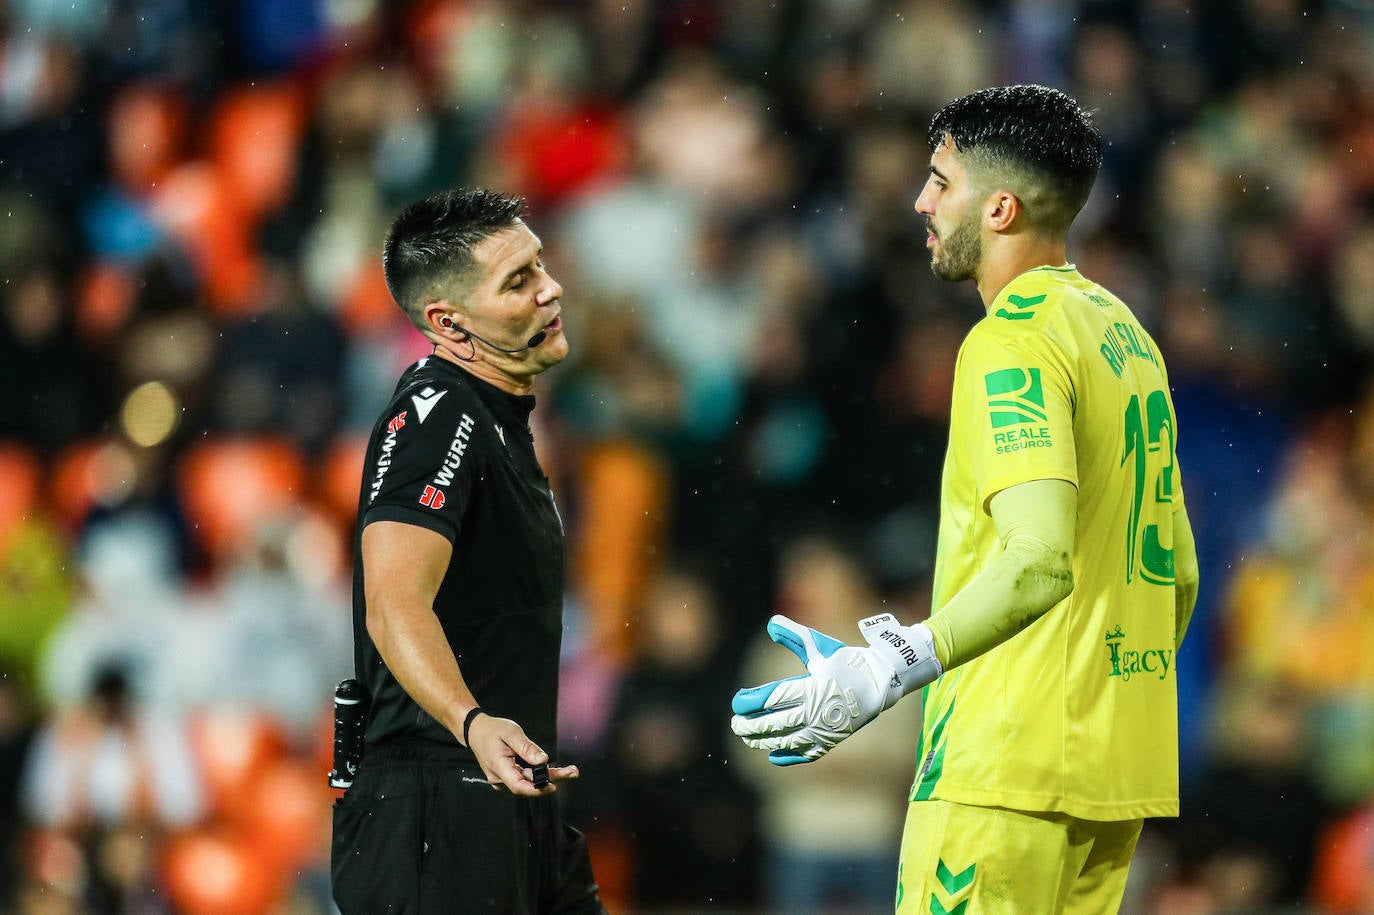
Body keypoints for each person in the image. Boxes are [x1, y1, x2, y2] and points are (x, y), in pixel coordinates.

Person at [730, 85, 1201, 914]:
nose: (921, 200)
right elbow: (1181, 576)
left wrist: (889, 664)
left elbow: (1039, 559)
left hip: (1002, 773)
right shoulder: (1125, 333)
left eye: (942, 181)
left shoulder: (1009, 341)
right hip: (1112, 775)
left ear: (1001, 207)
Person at [330, 188, 605, 914]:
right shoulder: (439, 412)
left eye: (540, 264)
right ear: (449, 324)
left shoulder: (494, 420)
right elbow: (393, 603)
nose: (552, 288)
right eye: (518, 281)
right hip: (436, 808)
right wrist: (474, 722)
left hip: (510, 798)